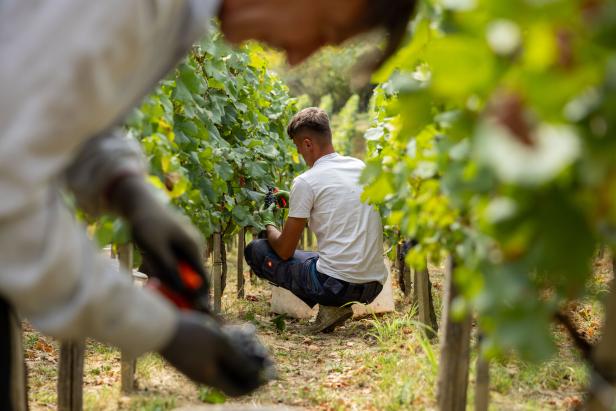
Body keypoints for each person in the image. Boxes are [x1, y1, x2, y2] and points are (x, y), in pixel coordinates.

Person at [0, 0, 418, 407]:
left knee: (270, 252)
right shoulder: (135, 11)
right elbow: (12, 202)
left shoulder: (171, 22)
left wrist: (125, 186)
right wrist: (160, 331)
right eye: (325, 29)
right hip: (368, 280)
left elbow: (66, 110)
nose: (298, 56)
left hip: (331, 278)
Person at [245, 108, 388, 333]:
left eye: (298, 146)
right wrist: (296, 201)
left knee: (257, 250)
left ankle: (331, 307)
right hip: (373, 286)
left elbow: (284, 250)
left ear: (308, 143)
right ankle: (335, 307)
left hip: (337, 287)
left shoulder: (306, 181)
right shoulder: (359, 167)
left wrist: (268, 222)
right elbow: (336, 204)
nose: (300, 153)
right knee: (314, 257)